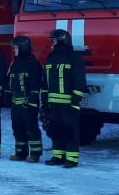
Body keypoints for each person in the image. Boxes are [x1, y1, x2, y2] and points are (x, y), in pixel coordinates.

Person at [44, 28, 87, 168]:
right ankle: (58, 156)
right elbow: (45, 82)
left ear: (62, 41)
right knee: (55, 130)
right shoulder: (50, 58)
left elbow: (80, 80)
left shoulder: (74, 58)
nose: (52, 43)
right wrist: (44, 102)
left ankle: (72, 159)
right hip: (53, 103)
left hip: (68, 104)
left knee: (70, 131)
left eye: (54, 41)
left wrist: (75, 100)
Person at [6, 35, 44, 162]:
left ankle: (35, 153)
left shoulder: (33, 64)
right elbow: (9, 80)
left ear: (23, 48)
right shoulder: (14, 63)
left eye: (16, 48)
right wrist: (7, 95)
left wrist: (32, 99)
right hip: (15, 102)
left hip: (28, 102)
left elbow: (36, 83)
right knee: (17, 127)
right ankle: (20, 152)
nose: (14, 50)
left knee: (31, 128)